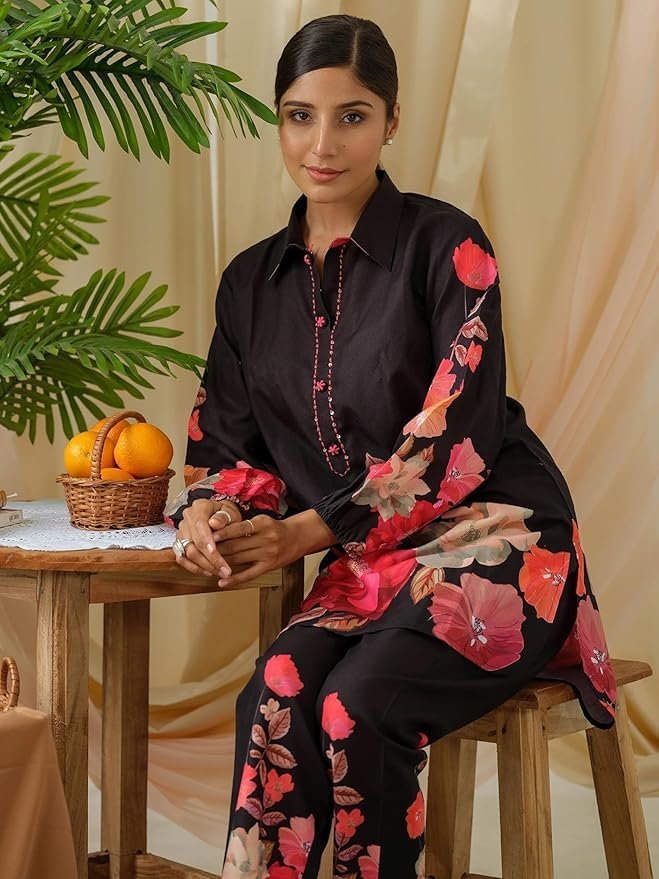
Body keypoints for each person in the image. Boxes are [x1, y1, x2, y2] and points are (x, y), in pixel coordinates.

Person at [165, 14, 617, 879]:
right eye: (300, 116)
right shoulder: (249, 284)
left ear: (391, 121)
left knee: (357, 705)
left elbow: (456, 434)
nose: (322, 144)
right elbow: (225, 441)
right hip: (369, 567)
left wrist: (308, 530)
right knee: (273, 693)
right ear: (277, 119)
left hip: (497, 539)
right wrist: (213, 511)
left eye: (352, 116)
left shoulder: (448, 246)